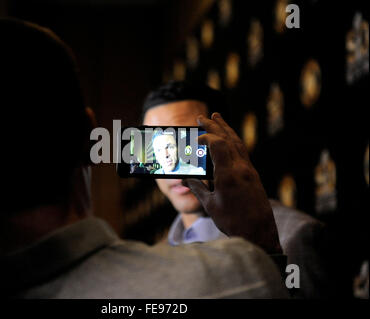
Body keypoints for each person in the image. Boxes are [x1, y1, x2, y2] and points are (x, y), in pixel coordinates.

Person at [0, 19, 287, 298]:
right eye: (161, 146)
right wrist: (260, 250)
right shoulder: (236, 275)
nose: (175, 161)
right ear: (89, 137)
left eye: (185, 141)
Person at [142, 81, 336, 298]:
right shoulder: (156, 254)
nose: (173, 165)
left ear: (227, 139)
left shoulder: (295, 236)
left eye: (189, 142)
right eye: (157, 147)